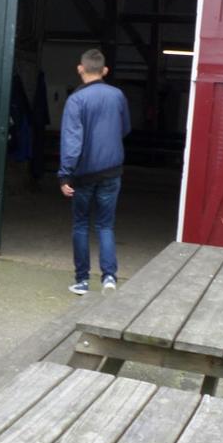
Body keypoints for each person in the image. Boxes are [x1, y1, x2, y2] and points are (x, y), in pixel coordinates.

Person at [58, 48, 131, 295]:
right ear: (105, 70)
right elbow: (125, 128)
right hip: (112, 171)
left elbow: (72, 141)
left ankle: (82, 280)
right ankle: (109, 277)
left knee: (80, 224)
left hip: (84, 174)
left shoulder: (76, 100)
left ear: (80, 69)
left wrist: (65, 173)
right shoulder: (118, 96)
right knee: (106, 225)